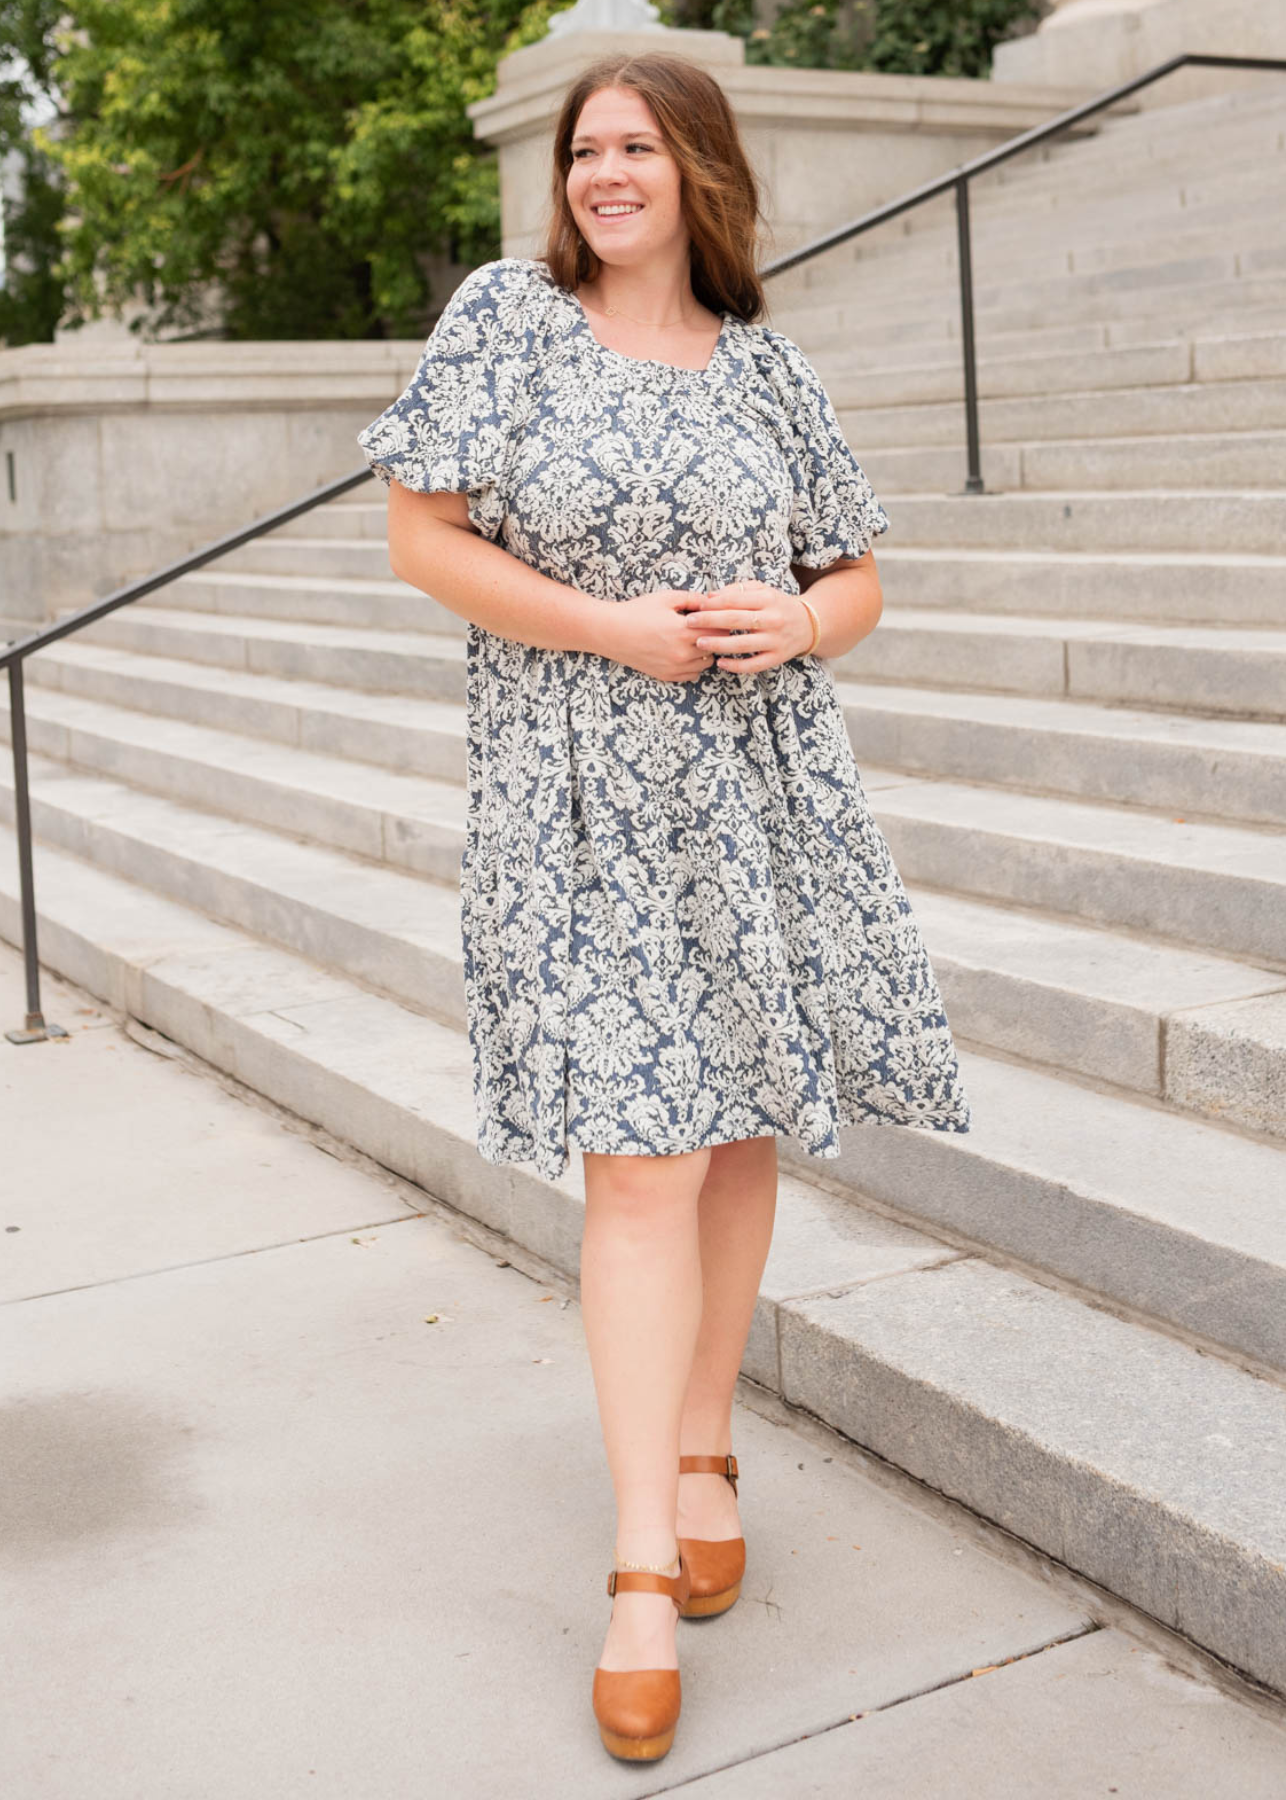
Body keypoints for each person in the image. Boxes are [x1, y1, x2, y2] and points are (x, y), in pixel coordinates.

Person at [356, 48, 971, 1766]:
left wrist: (805, 624)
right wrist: (603, 623)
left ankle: (704, 1445)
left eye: (634, 146)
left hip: (757, 791)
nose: (603, 173)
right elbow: (421, 538)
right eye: (582, 150)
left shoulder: (766, 368)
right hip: (578, 799)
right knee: (640, 1159)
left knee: (738, 1128)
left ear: (699, 168)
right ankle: (641, 1561)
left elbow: (851, 568)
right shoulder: (507, 320)